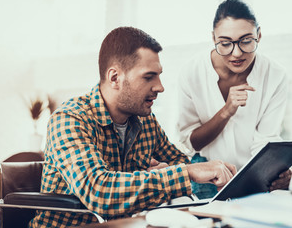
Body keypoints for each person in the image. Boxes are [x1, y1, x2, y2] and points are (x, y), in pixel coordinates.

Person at [29, 27, 236, 227]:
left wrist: (168, 172)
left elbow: (177, 161)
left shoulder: (145, 121)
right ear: (115, 78)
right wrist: (182, 174)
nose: (160, 87)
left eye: (159, 75)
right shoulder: (70, 120)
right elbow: (101, 191)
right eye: (148, 77)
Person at [177, 0, 292, 199]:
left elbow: (265, 142)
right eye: (225, 43)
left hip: (252, 176)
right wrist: (226, 111)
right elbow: (190, 142)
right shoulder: (191, 73)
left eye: (246, 40)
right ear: (213, 38)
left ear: (259, 35)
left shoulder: (276, 75)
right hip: (206, 177)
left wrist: (278, 172)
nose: (236, 53)